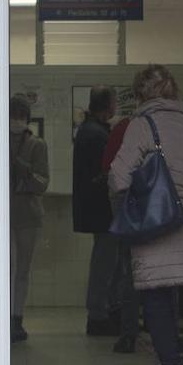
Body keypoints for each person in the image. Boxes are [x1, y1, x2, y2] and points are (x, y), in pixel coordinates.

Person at [108, 65, 183, 365]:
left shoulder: (142, 124)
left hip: (156, 219)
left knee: (154, 298)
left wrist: (126, 198)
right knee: (169, 296)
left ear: (139, 94)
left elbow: (119, 176)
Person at [73, 86, 120, 336]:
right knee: (105, 263)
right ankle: (99, 315)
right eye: (113, 102)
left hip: (95, 208)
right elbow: (106, 171)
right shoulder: (97, 134)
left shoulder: (88, 130)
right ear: (107, 105)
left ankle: (102, 311)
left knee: (104, 260)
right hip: (103, 209)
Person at [8, 94, 49, 343]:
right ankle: (6, 316)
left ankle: (16, 318)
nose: (16, 121)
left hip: (27, 211)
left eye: (21, 116)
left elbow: (42, 183)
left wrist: (24, 169)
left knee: (21, 269)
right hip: (2, 213)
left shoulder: (37, 145)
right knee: (6, 269)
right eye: (13, 115)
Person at [102, 116, 139, 353]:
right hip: (156, 206)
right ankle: (165, 337)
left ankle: (128, 332)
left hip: (125, 204)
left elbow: (109, 168)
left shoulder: (123, 128)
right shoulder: (170, 125)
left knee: (128, 267)